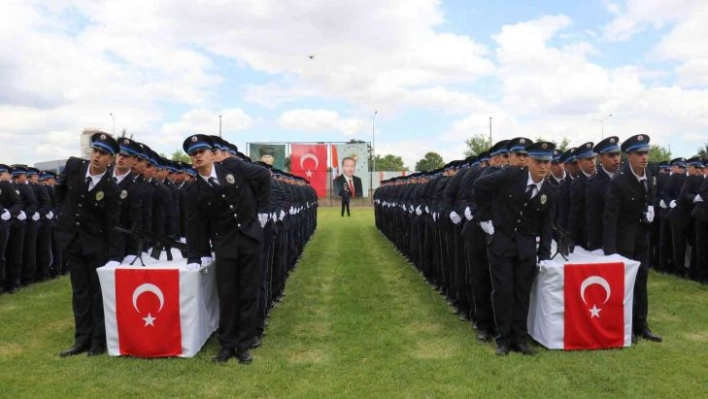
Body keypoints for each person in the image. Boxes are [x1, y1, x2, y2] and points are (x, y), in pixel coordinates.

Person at [183, 134, 271, 365]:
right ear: (191, 160)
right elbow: (194, 226)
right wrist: (194, 255)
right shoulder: (194, 191)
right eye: (194, 154)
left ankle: (244, 345)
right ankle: (226, 345)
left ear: (212, 154)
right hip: (225, 244)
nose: (198, 156)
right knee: (227, 294)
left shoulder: (232, 166)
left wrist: (261, 210)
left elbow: (263, 175)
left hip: (250, 238)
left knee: (248, 292)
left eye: (202, 151)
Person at [472, 141, 557, 356]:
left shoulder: (549, 189)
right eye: (538, 161)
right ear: (528, 160)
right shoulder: (510, 175)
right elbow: (479, 187)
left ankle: (520, 339)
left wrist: (544, 254)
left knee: (522, 293)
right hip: (501, 242)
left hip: (526, 247)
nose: (543, 166)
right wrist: (484, 218)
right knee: (503, 292)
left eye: (547, 162)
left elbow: (547, 223)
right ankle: (503, 339)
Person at [56, 132, 122, 357]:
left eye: (103, 153)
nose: (97, 156)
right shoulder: (74, 166)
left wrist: (115, 255)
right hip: (73, 240)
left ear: (110, 159)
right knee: (80, 292)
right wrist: (62, 216)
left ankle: (97, 340)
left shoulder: (111, 187)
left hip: (96, 245)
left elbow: (113, 223)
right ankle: (81, 339)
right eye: (95, 151)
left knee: (96, 293)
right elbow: (60, 191)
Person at [603, 134, 662, 343]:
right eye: (639, 153)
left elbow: (650, 195)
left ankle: (641, 325)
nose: (644, 157)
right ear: (629, 156)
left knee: (641, 282)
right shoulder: (619, 181)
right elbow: (610, 218)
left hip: (641, 238)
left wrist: (650, 208)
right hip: (622, 240)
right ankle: (624, 326)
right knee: (624, 285)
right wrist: (609, 252)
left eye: (646, 152)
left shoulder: (649, 173)